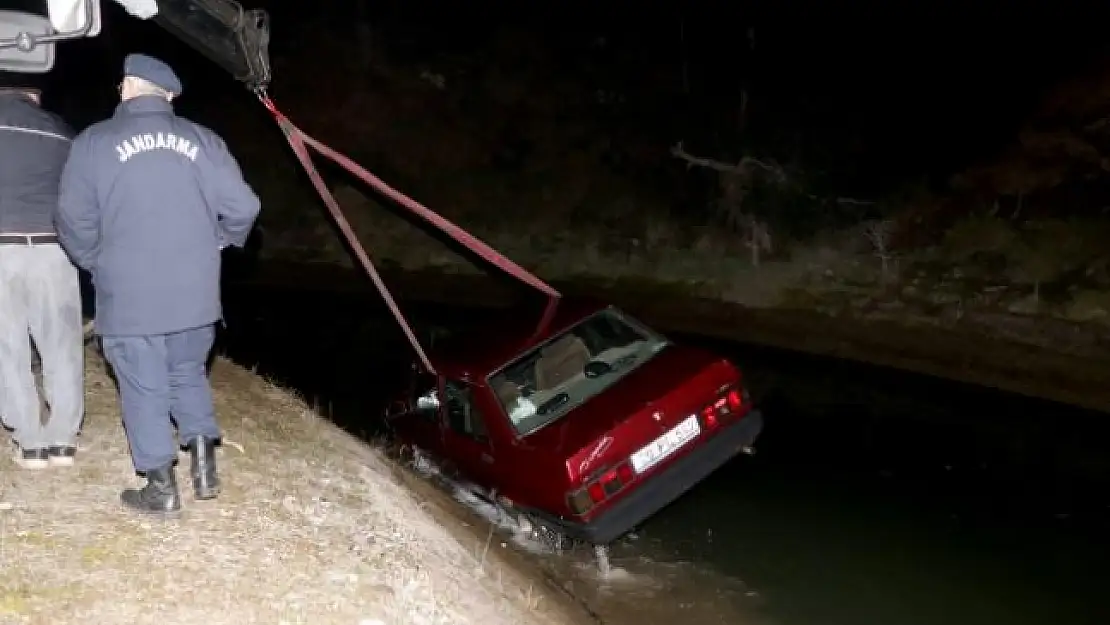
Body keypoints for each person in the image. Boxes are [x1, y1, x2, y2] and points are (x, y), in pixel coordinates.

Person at [56, 53, 261, 516]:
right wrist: (221, 243)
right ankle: (204, 461)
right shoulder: (205, 141)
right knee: (186, 370)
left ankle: (159, 488)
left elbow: (71, 217)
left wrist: (95, 261)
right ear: (167, 96)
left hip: (130, 294)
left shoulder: (94, 142)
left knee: (141, 385)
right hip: (196, 293)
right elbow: (245, 208)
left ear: (127, 88)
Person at [0, 73, 85, 470]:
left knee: (7, 348)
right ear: (34, 95)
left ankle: (29, 442)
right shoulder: (61, 131)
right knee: (61, 346)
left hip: (2, 249)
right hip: (54, 250)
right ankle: (62, 441)